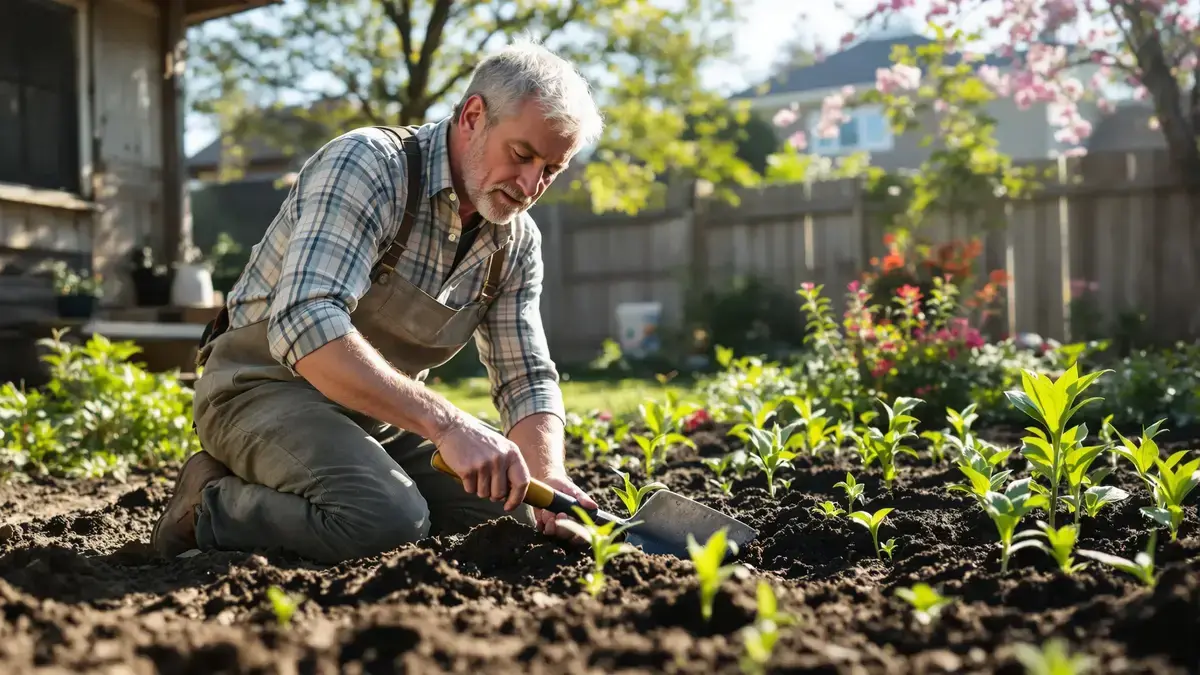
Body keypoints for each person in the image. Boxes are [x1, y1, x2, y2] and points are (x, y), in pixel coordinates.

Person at [150, 39, 605, 564]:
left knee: (511, 510)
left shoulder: (515, 242)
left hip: (371, 416)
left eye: (551, 169)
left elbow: (525, 373)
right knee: (385, 520)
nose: (530, 184)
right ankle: (206, 505)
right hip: (261, 389)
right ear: (474, 115)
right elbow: (306, 321)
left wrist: (547, 479)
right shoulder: (369, 166)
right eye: (522, 154)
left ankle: (337, 496)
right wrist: (449, 425)